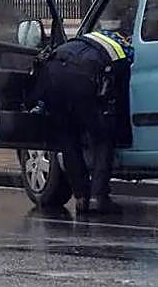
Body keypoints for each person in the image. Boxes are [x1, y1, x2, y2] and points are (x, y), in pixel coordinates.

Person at [30, 28, 134, 215]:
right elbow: (122, 86)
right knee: (102, 138)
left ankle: (81, 197)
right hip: (81, 75)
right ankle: (98, 197)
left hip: (51, 72)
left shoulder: (88, 38)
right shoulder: (124, 49)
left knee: (68, 140)